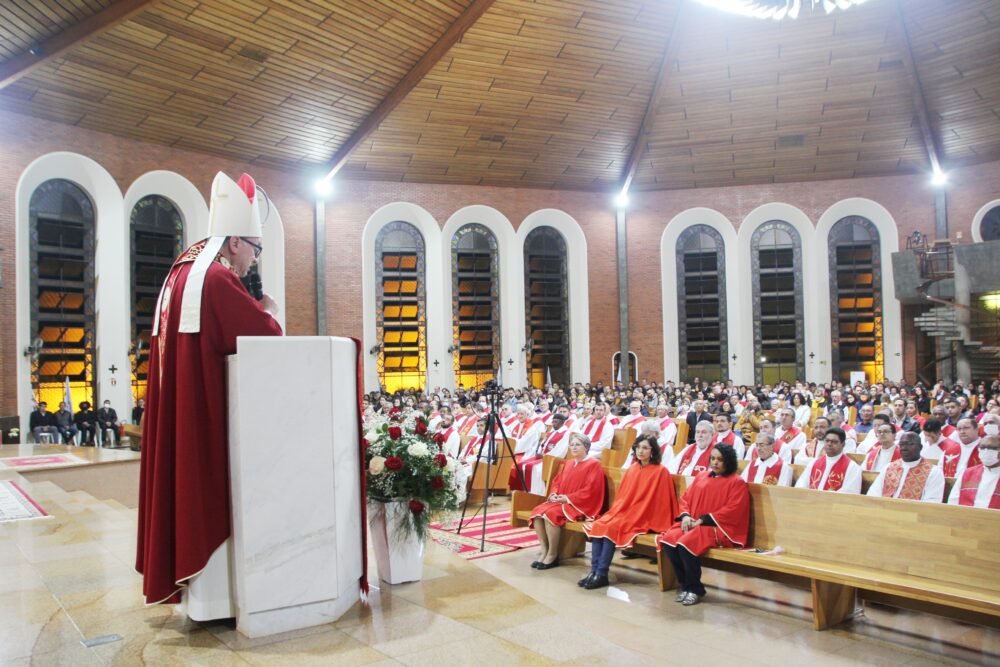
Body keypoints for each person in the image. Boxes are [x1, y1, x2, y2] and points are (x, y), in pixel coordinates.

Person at [137, 172, 283, 613]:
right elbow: (260, 334)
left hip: (182, 409)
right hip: (202, 420)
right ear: (236, 242)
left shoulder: (182, 268)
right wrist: (269, 311)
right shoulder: (217, 279)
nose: (254, 262)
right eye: (255, 250)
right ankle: (214, 596)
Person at [580, 435, 678, 590]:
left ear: (653, 451)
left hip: (643, 514)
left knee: (611, 528)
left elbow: (661, 501)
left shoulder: (661, 471)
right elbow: (623, 497)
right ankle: (594, 572)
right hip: (624, 510)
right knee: (599, 525)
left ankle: (602, 573)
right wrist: (619, 511)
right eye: (638, 447)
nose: (641, 451)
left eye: (645, 448)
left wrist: (638, 512)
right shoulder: (633, 468)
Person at [657, 443, 750, 606]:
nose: (715, 463)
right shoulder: (701, 476)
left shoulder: (737, 482)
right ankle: (684, 585)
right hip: (693, 523)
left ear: (729, 461)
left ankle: (695, 589)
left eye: (720, 460)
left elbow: (733, 510)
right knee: (669, 540)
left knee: (686, 543)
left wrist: (702, 520)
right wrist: (685, 516)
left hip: (719, 527)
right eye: (712, 458)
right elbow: (686, 498)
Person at [528, 433, 605, 569]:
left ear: (586, 447)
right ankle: (545, 550)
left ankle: (553, 554)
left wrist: (568, 498)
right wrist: (553, 494)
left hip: (578, 505)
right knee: (537, 512)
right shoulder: (569, 463)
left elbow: (591, 489)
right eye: (572, 445)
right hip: (561, 501)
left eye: (578, 445)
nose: (574, 447)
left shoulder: (594, 464)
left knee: (550, 514)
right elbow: (557, 481)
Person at [867, 432, 944, 503]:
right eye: (901, 444)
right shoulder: (889, 467)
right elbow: (873, 494)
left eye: (909, 444)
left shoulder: (933, 472)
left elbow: (932, 502)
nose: (904, 448)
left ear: (920, 447)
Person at [794, 427, 862, 494]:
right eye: (827, 441)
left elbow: (850, 493)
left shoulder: (852, 467)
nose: (829, 444)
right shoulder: (814, 462)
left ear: (843, 444)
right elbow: (802, 483)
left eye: (834, 442)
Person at [517, 413, 570, 495]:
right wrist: (540, 452)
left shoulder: (566, 433)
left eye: (556, 422)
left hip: (552, 460)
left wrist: (544, 456)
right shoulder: (553, 431)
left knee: (536, 469)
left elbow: (560, 451)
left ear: (562, 422)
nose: (553, 424)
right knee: (522, 465)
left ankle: (537, 494)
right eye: (553, 422)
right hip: (543, 457)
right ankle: (524, 492)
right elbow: (543, 443)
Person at [948, 434, 1000, 509]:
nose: (986, 451)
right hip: (967, 518)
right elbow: (953, 501)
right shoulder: (967, 473)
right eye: (982, 447)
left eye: (991, 448)